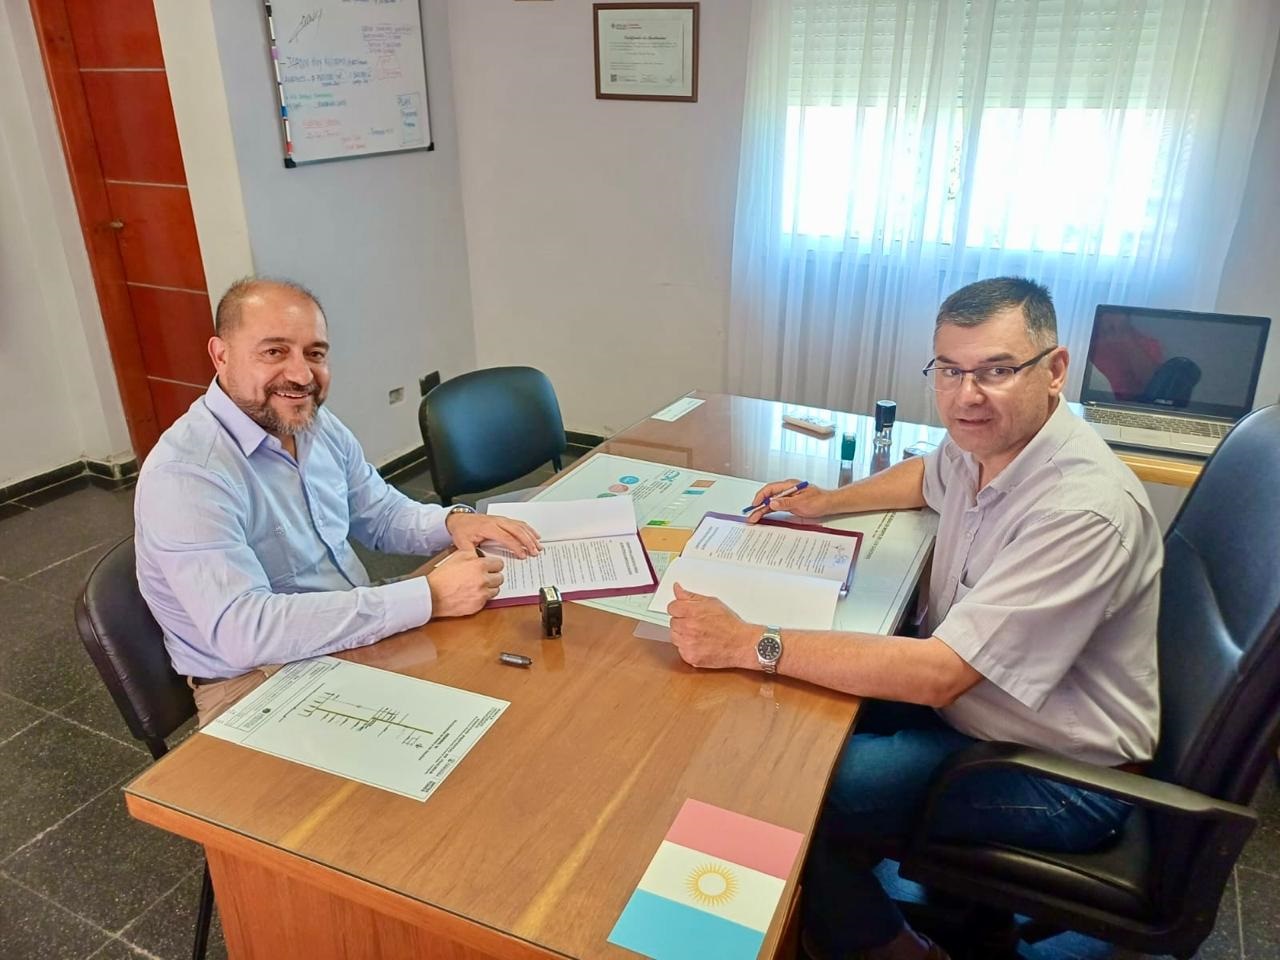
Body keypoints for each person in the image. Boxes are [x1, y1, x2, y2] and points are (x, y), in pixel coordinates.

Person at [666, 277, 1161, 960]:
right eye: (950, 371)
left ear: (1054, 370)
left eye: (996, 370)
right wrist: (825, 503)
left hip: (1061, 772)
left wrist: (751, 641)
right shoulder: (989, 442)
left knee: (791, 786)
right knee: (768, 724)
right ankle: (839, 895)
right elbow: (928, 476)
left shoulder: (1083, 510)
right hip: (989, 713)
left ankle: (895, 949)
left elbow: (939, 675)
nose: (967, 395)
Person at [134, 277, 541, 725]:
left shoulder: (315, 425)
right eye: (274, 352)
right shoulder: (187, 474)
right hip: (257, 681)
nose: (301, 375)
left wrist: (452, 523)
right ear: (221, 354)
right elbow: (245, 632)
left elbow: (380, 514)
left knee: (514, 694)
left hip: (350, 628)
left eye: (315, 354)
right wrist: (428, 596)